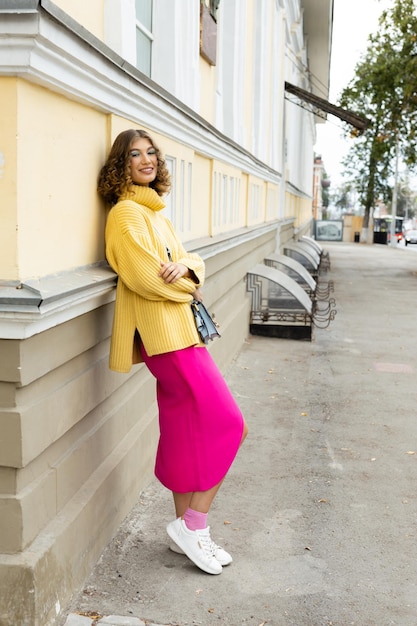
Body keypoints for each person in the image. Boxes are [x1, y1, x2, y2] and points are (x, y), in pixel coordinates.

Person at [98, 128, 248, 576]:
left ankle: (186, 527)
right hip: (166, 338)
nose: (146, 160)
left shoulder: (156, 215)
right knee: (230, 424)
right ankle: (194, 525)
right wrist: (189, 283)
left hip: (181, 333)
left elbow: (189, 262)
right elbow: (147, 278)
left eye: (151, 153)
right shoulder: (126, 215)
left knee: (186, 429)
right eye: (134, 155)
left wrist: (186, 268)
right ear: (120, 166)